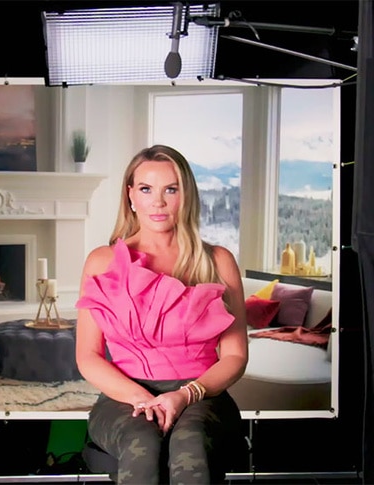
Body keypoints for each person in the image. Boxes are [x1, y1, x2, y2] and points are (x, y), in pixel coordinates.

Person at [75, 145, 248, 484]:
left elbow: (236, 355)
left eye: (171, 189)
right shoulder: (102, 261)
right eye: (146, 189)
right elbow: (88, 356)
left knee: (190, 446)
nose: (158, 201)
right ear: (131, 196)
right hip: (125, 394)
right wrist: (143, 399)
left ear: (187, 195)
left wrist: (185, 395)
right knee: (142, 444)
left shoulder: (218, 261)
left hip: (202, 393)